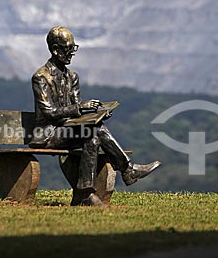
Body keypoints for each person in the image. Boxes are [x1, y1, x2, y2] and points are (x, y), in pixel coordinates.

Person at [30, 25, 161, 206]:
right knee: (93, 133)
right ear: (55, 50)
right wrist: (81, 108)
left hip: (70, 130)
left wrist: (96, 115)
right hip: (48, 134)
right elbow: (49, 112)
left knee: (92, 136)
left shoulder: (72, 77)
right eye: (68, 48)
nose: (72, 53)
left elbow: (78, 111)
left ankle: (85, 194)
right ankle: (127, 170)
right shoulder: (41, 77)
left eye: (73, 48)